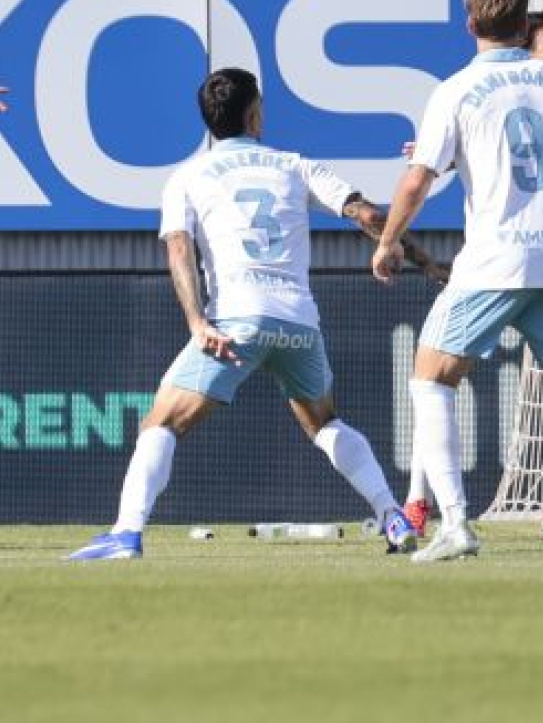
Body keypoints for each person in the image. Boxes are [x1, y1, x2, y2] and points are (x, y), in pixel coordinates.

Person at [68, 68, 436, 561]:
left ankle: (126, 534)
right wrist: (425, 260)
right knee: (325, 422)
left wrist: (198, 322)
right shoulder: (293, 165)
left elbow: (179, 251)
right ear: (253, 113)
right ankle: (391, 514)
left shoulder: (188, 176)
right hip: (299, 320)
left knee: (161, 423)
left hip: (236, 319)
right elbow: (369, 215)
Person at [374, 0, 543, 564]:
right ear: (524, 25)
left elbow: (418, 178)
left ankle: (457, 523)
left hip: (493, 260)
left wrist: (389, 240)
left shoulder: (457, 89)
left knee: (431, 381)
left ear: (471, 27)